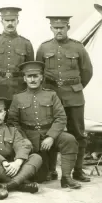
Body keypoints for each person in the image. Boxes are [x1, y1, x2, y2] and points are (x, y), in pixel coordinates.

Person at [36, 15, 93, 183]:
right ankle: (51, 170)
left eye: (62, 27)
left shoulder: (78, 47)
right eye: (55, 28)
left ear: (68, 27)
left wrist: (75, 87)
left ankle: (78, 171)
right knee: (52, 132)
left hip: (74, 97)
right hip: (52, 96)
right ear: (51, 29)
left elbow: (87, 71)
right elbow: (39, 71)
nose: (58, 30)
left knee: (78, 134)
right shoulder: (44, 48)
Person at [8, 61, 82, 188]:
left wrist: (51, 137)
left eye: (36, 76)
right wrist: (24, 139)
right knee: (40, 178)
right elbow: (12, 122)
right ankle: (48, 171)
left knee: (69, 140)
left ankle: (66, 178)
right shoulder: (18, 98)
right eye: (29, 76)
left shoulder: (51, 95)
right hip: (29, 137)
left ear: (41, 77)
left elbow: (61, 117)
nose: (32, 79)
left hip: (49, 133)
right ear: (24, 78)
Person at [0, 97, 40, 193]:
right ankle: (20, 184)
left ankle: (11, 184)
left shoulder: (12, 130)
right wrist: (3, 162)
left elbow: (21, 145)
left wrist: (17, 163)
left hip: (13, 166)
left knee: (36, 157)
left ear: (5, 113)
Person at [0, 7, 33, 109]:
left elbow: (30, 70)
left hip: (19, 88)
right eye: (7, 20)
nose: (10, 23)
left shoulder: (26, 43)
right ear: (2, 22)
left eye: (13, 20)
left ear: (17, 21)